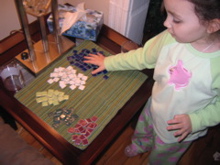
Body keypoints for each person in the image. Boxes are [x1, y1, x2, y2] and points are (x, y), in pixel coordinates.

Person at [84, 0, 220, 164]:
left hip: (177, 130)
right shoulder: (169, 38)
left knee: (161, 158)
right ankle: (140, 144)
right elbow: (142, 57)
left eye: (176, 19)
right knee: (143, 131)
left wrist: (197, 121)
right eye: (167, 13)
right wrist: (109, 62)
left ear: (212, 25)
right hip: (153, 106)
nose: (166, 23)